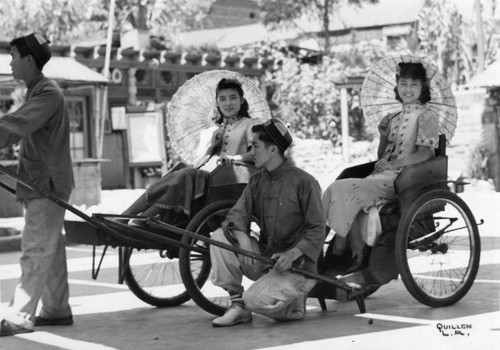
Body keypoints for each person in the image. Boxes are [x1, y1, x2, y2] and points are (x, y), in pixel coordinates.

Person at [322, 62, 440, 274]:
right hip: (380, 176)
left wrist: (396, 164)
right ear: (397, 86)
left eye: (414, 84)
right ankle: (336, 250)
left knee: (342, 189)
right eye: (403, 83)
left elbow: (425, 154)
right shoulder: (394, 118)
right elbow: (381, 157)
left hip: (404, 180)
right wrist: (384, 135)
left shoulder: (427, 116)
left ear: (423, 87)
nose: (408, 89)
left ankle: (340, 251)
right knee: (335, 187)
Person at [209, 118, 325, 327]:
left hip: (297, 267)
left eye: (255, 146)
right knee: (218, 237)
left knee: (254, 299)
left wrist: (292, 254)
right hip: (266, 259)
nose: (251, 150)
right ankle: (239, 307)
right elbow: (236, 215)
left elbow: (317, 229)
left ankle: (293, 306)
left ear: (273, 150)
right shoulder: (256, 180)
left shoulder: (304, 181)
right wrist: (244, 241)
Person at [0, 33, 74, 336]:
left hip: (48, 182)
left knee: (35, 247)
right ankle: (56, 310)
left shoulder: (47, 94)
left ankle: (20, 315)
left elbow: (16, 125)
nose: (10, 62)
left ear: (29, 60)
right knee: (50, 248)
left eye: (14, 56)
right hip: (43, 179)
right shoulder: (37, 91)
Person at [121, 78, 261, 220]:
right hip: (203, 177)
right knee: (180, 169)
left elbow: (256, 153)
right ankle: (129, 214)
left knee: (187, 174)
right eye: (222, 99)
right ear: (217, 102)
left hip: (228, 179)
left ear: (241, 100)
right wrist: (211, 143)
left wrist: (233, 158)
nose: (228, 103)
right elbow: (197, 162)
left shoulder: (251, 124)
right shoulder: (212, 130)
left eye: (233, 98)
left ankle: (142, 216)